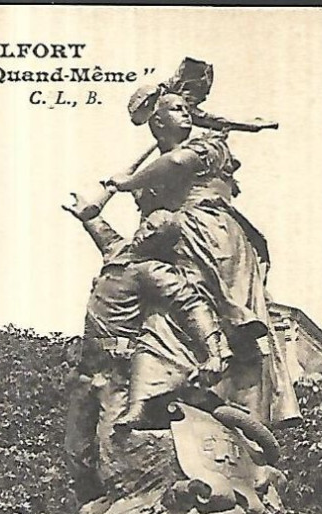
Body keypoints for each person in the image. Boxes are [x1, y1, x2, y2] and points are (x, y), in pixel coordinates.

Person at [104, 91, 302, 428]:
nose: (187, 115)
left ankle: (248, 420)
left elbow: (178, 162)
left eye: (186, 109)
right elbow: (146, 230)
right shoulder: (152, 184)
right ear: (157, 122)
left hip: (212, 235)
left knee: (234, 325)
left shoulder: (209, 145)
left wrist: (128, 182)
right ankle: (147, 398)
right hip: (177, 244)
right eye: (177, 110)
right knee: (163, 316)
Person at [63, 193, 226, 504]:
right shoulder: (119, 252)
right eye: (147, 226)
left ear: (160, 243)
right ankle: (91, 509)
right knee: (76, 451)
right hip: (85, 369)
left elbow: (192, 306)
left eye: (154, 232)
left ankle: (123, 501)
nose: (145, 232)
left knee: (111, 444)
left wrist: (213, 351)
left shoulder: (153, 272)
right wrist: (88, 216)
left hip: (116, 369)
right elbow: (102, 231)